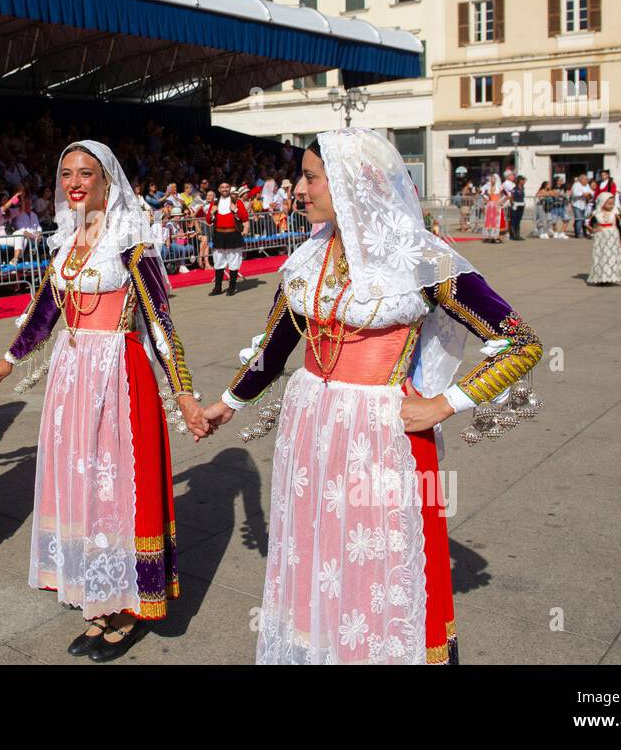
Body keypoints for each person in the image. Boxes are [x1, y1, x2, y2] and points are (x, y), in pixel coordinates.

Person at [200, 128, 543, 665]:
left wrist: (444, 403)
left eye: (310, 177)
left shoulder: (419, 256)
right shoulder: (309, 258)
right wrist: (227, 402)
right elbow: (278, 345)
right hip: (312, 427)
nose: (298, 189)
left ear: (351, 182)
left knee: (383, 564)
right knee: (321, 558)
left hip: (381, 433)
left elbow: (521, 343)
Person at [0, 140, 207, 663]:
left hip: (118, 375)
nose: (75, 183)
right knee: (79, 484)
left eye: (87, 173)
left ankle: (127, 606)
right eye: (66, 174)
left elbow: (159, 324)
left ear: (109, 181)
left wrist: (184, 394)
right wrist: (9, 359)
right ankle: (95, 593)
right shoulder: (66, 244)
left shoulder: (131, 242)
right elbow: (44, 312)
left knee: (114, 486)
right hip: (70, 378)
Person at [205, 181, 250, 296]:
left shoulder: (237, 202)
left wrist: (235, 210)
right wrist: (211, 213)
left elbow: (245, 217)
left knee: (233, 262)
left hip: (233, 234)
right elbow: (208, 221)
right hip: (219, 235)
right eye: (222, 187)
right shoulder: (214, 203)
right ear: (219, 190)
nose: (225, 189)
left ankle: (232, 287)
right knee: (218, 261)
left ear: (229, 189)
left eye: (227, 187)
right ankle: (218, 287)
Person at [586, 193, 621, 286]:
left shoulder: (615, 213)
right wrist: (593, 230)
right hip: (600, 238)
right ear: (602, 202)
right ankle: (601, 277)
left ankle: (610, 277)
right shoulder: (596, 213)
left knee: (612, 257)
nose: (611, 206)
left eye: (612, 204)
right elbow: (586, 223)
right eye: (608, 203)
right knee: (601, 256)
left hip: (613, 238)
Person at [482, 173, 504, 242]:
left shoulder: (499, 187)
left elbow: (506, 195)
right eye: (491, 178)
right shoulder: (488, 186)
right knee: (488, 221)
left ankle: (495, 237)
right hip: (489, 205)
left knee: (495, 221)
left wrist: (501, 202)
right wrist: (485, 199)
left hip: (496, 205)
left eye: (493, 178)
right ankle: (488, 236)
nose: (491, 180)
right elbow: (481, 192)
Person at [570, 174, 593, 239]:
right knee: (579, 219)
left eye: (587, 180)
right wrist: (583, 194)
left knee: (583, 220)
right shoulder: (576, 185)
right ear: (581, 180)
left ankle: (583, 233)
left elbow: (591, 192)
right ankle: (578, 234)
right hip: (577, 204)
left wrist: (589, 195)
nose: (587, 181)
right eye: (585, 179)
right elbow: (575, 193)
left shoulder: (587, 185)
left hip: (584, 205)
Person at [508, 174, 527, 241]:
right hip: (515, 206)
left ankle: (518, 234)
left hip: (521, 206)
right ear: (519, 181)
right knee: (513, 221)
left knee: (518, 221)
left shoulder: (522, 188)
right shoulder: (514, 188)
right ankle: (513, 235)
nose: (524, 181)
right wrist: (513, 204)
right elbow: (511, 197)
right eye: (522, 180)